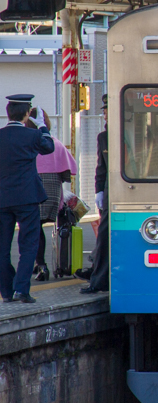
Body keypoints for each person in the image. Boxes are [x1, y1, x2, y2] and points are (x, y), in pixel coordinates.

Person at [0, 94, 56, 303]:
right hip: (27, 197)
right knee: (29, 245)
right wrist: (42, 126)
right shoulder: (32, 136)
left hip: (2, 198)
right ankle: (21, 289)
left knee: (2, 248)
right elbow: (49, 148)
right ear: (26, 115)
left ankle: (6, 291)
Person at [32, 109, 77, 281]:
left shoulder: (29, 145)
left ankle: (41, 265)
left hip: (34, 192)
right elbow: (68, 174)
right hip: (53, 197)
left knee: (34, 227)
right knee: (44, 224)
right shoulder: (55, 143)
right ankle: (50, 264)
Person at [82, 94, 108, 294]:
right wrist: (99, 189)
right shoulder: (103, 137)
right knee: (104, 236)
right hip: (110, 193)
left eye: (107, 109)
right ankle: (97, 279)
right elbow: (101, 167)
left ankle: (98, 278)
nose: (105, 113)